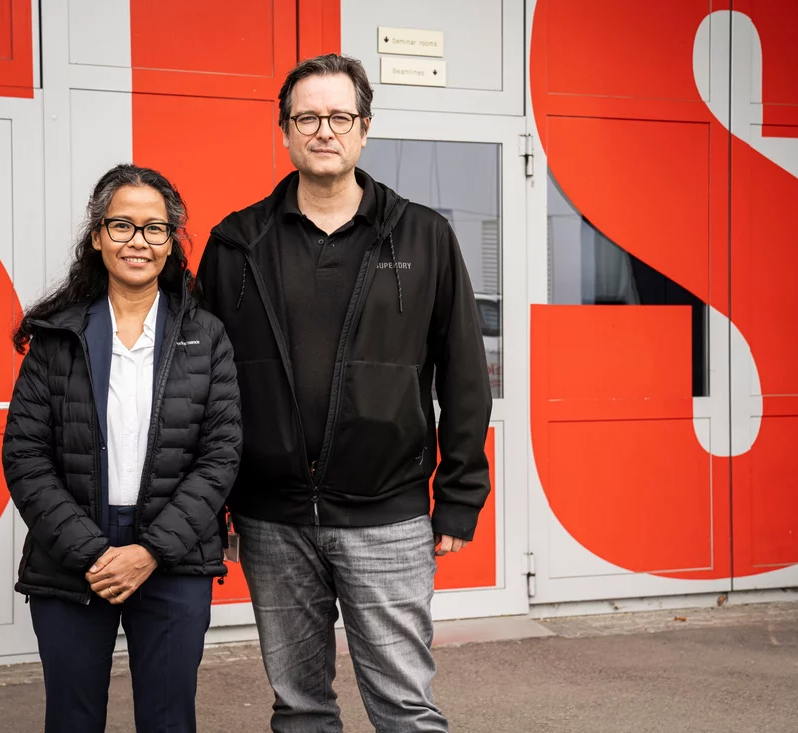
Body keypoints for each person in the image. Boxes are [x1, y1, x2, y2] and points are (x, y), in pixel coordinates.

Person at [196, 53, 492, 732]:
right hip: (272, 520)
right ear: (285, 132)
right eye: (308, 117)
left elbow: (465, 376)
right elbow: (205, 387)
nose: (323, 130)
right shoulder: (237, 242)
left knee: (406, 707)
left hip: (386, 515)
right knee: (299, 707)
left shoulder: (424, 236)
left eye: (339, 116)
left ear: (364, 130)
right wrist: (213, 508)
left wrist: (459, 496)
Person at [2, 163, 242, 733]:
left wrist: (150, 550)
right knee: (72, 719)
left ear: (171, 242)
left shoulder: (205, 337)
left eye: (154, 228)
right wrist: (93, 551)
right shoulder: (57, 337)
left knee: (167, 720)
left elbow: (222, 454)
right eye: (122, 225)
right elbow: (25, 456)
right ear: (97, 236)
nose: (138, 241)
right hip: (71, 557)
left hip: (174, 556)